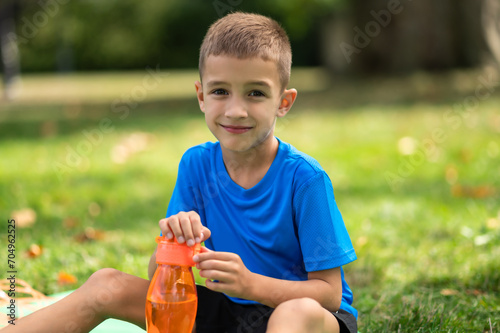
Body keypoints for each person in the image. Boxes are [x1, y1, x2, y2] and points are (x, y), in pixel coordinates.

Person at [3, 12, 357, 333]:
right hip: (229, 312)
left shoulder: (305, 180)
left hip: (304, 318)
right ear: (201, 96)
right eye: (220, 91)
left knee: (293, 315)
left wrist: (251, 285)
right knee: (106, 283)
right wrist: (172, 247)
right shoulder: (196, 165)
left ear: (283, 103)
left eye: (255, 93)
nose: (235, 110)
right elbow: (159, 277)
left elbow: (328, 293)